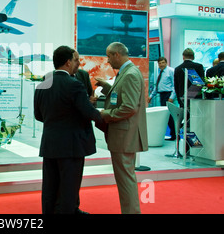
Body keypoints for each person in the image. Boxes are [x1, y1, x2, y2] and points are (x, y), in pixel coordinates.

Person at [34, 46, 103, 214]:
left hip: (50, 144)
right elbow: (89, 113)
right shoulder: (75, 85)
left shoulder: (42, 83)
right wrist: (106, 117)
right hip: (71, 146)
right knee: (68, 189)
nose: (78, 63)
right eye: (76, 60)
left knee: (50, 187)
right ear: (68, 62)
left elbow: (38, 115)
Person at [95, 42, 148, 214]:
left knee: (126, 180)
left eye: (109, 56)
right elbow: (123, 96)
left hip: (124, 135)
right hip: (125, 134)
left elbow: (129, 107)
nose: (108, 61)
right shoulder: (127, 72)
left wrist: (105, 114)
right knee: (126, 178)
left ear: (117, 54)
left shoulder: (130, 74)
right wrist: (108, 87)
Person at [147, 57, 176, 140]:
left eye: (163, 62)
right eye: (159, 63)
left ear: (166, 63)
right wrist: (151, 96)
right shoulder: (160, 72)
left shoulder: (170, 71)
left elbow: (175, 85)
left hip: (168, 95)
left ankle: (174, 134)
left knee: (169, 115)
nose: (161, 64)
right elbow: (157, 86)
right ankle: (168, 134)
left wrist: (172, 97)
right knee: (164, 115)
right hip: (162, 95)